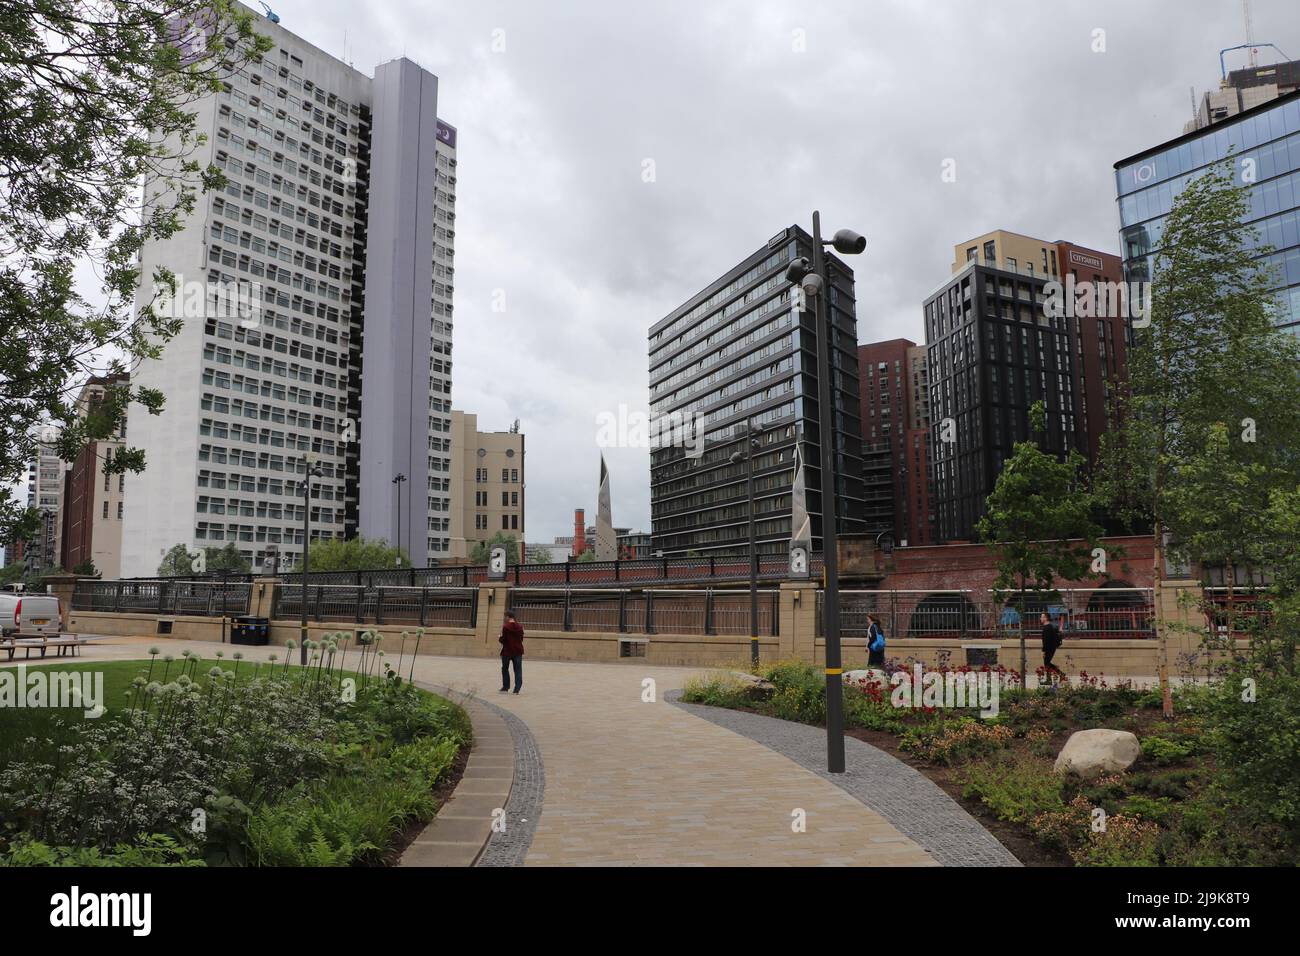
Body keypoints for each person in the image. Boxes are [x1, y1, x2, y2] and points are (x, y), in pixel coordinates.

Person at [499, 611, 524, 694]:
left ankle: (506, 687)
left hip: (507, 651)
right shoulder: (520, 626)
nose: (504, 618)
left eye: (505, 617)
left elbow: (503, 639)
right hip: (518, 651)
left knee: (505, 669)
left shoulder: (505, 627)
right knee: (518, 669)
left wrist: (499, 638)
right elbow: (521, 638)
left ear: (508, 617)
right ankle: (517, 688)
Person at [1040, 611, 1065, 685]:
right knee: (1047, 663)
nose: (1040, 618)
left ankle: (1058, 675)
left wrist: (1044, 651)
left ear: (1046, 618)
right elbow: (1059, 633)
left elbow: (1046, 641)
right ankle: (1052, 678)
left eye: (1042, 617)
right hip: (1052, 648)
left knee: (1047, 664)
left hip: (1049, 648)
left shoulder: (1047, 628)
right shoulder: (1051, 626)